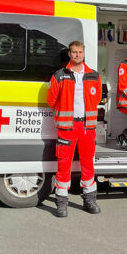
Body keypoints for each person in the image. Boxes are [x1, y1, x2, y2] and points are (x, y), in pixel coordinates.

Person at [47, 41, 102, 217]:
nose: (77, 55)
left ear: (83, 53)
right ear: (69, 54)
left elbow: (98, 97)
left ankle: (89, 200)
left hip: (87, 126)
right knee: (64, 165)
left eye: (80, 52)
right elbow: (51, 99)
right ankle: (61, 203)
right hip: (67, 127)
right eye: (74, 52)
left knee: (88, 164)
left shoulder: (94, 75)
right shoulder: (59, 75)